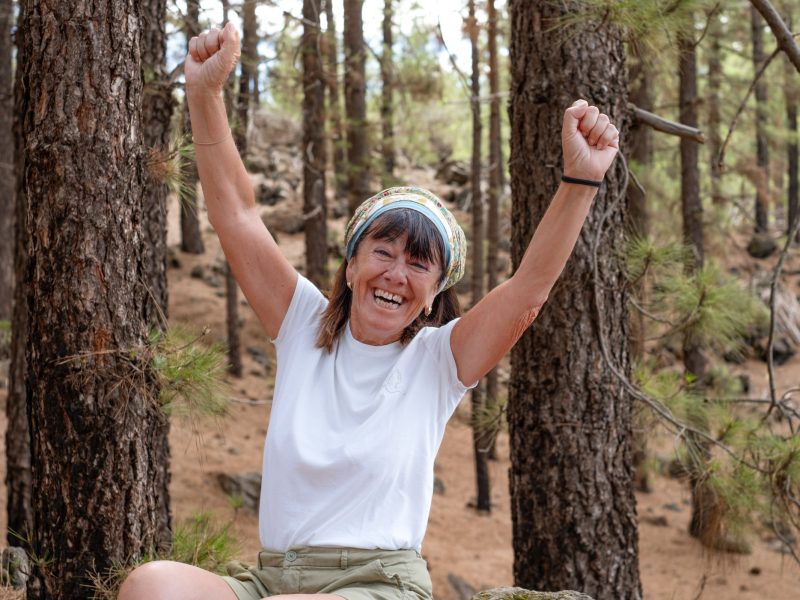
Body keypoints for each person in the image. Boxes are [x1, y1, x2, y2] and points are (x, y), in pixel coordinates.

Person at [119, 21, 619, 600]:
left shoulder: (439, 361)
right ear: (351, 266)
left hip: (379, 585)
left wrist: (582, 177)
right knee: (152, 585)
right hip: (274, 580)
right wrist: (204, 94)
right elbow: (237, 215)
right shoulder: (301, 324)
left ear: (433, 294)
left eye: (418, 265)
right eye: (382, 252)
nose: (396, 275)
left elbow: (529, 289)